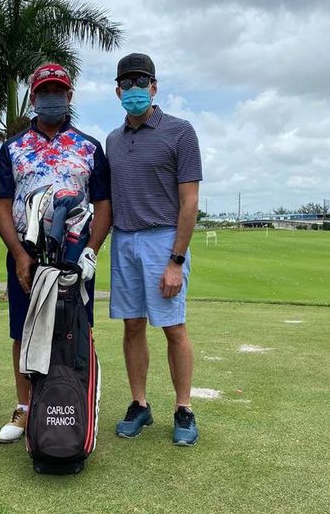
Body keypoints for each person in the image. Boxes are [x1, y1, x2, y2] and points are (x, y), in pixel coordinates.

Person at [0, 63, 111, 443]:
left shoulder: (89, 147)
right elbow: (1, 205)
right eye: (44, 92)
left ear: (70, 97)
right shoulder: (12, 149)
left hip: (75, 259)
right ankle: (27, 409)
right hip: (28, 257)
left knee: (75, 329)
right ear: (33, 97)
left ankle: (75, 403)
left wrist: (91, 251)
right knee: (23, 332)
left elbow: (104, 204)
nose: (51, 98)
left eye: (58, 91)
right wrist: (18, 254)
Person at [106, 53, 202, 446]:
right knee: (132, 326)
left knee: (173, 328)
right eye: (126, 84)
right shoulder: (112, 140)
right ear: (117, 91)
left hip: (164, 239)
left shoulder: (180, 132)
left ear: (154, 86)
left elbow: (190, 202)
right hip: (124, 239)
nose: (133, 90)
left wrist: (176, 260)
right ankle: (139, 404)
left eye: (140, 81)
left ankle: (184, 409)